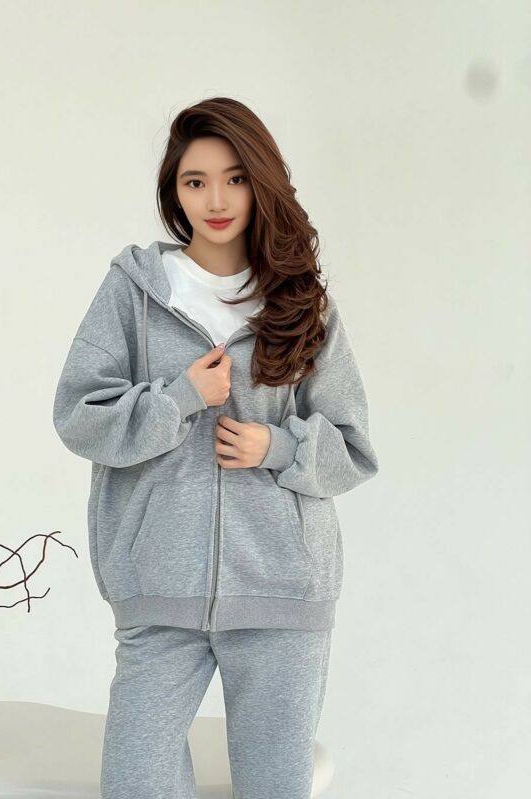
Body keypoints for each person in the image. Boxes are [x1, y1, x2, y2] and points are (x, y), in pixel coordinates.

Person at [53, 96, 379, 799]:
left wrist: (277, 446)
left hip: (281, 590)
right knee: (136, 782)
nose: (217, 200)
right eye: (195, 181)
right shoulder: (136, 292)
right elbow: (78, 415)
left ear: (261, 183)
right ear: (174, 191)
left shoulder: (302, 305)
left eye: (234, 178)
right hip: (157, 592)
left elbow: (353, 448)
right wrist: (177, 400)